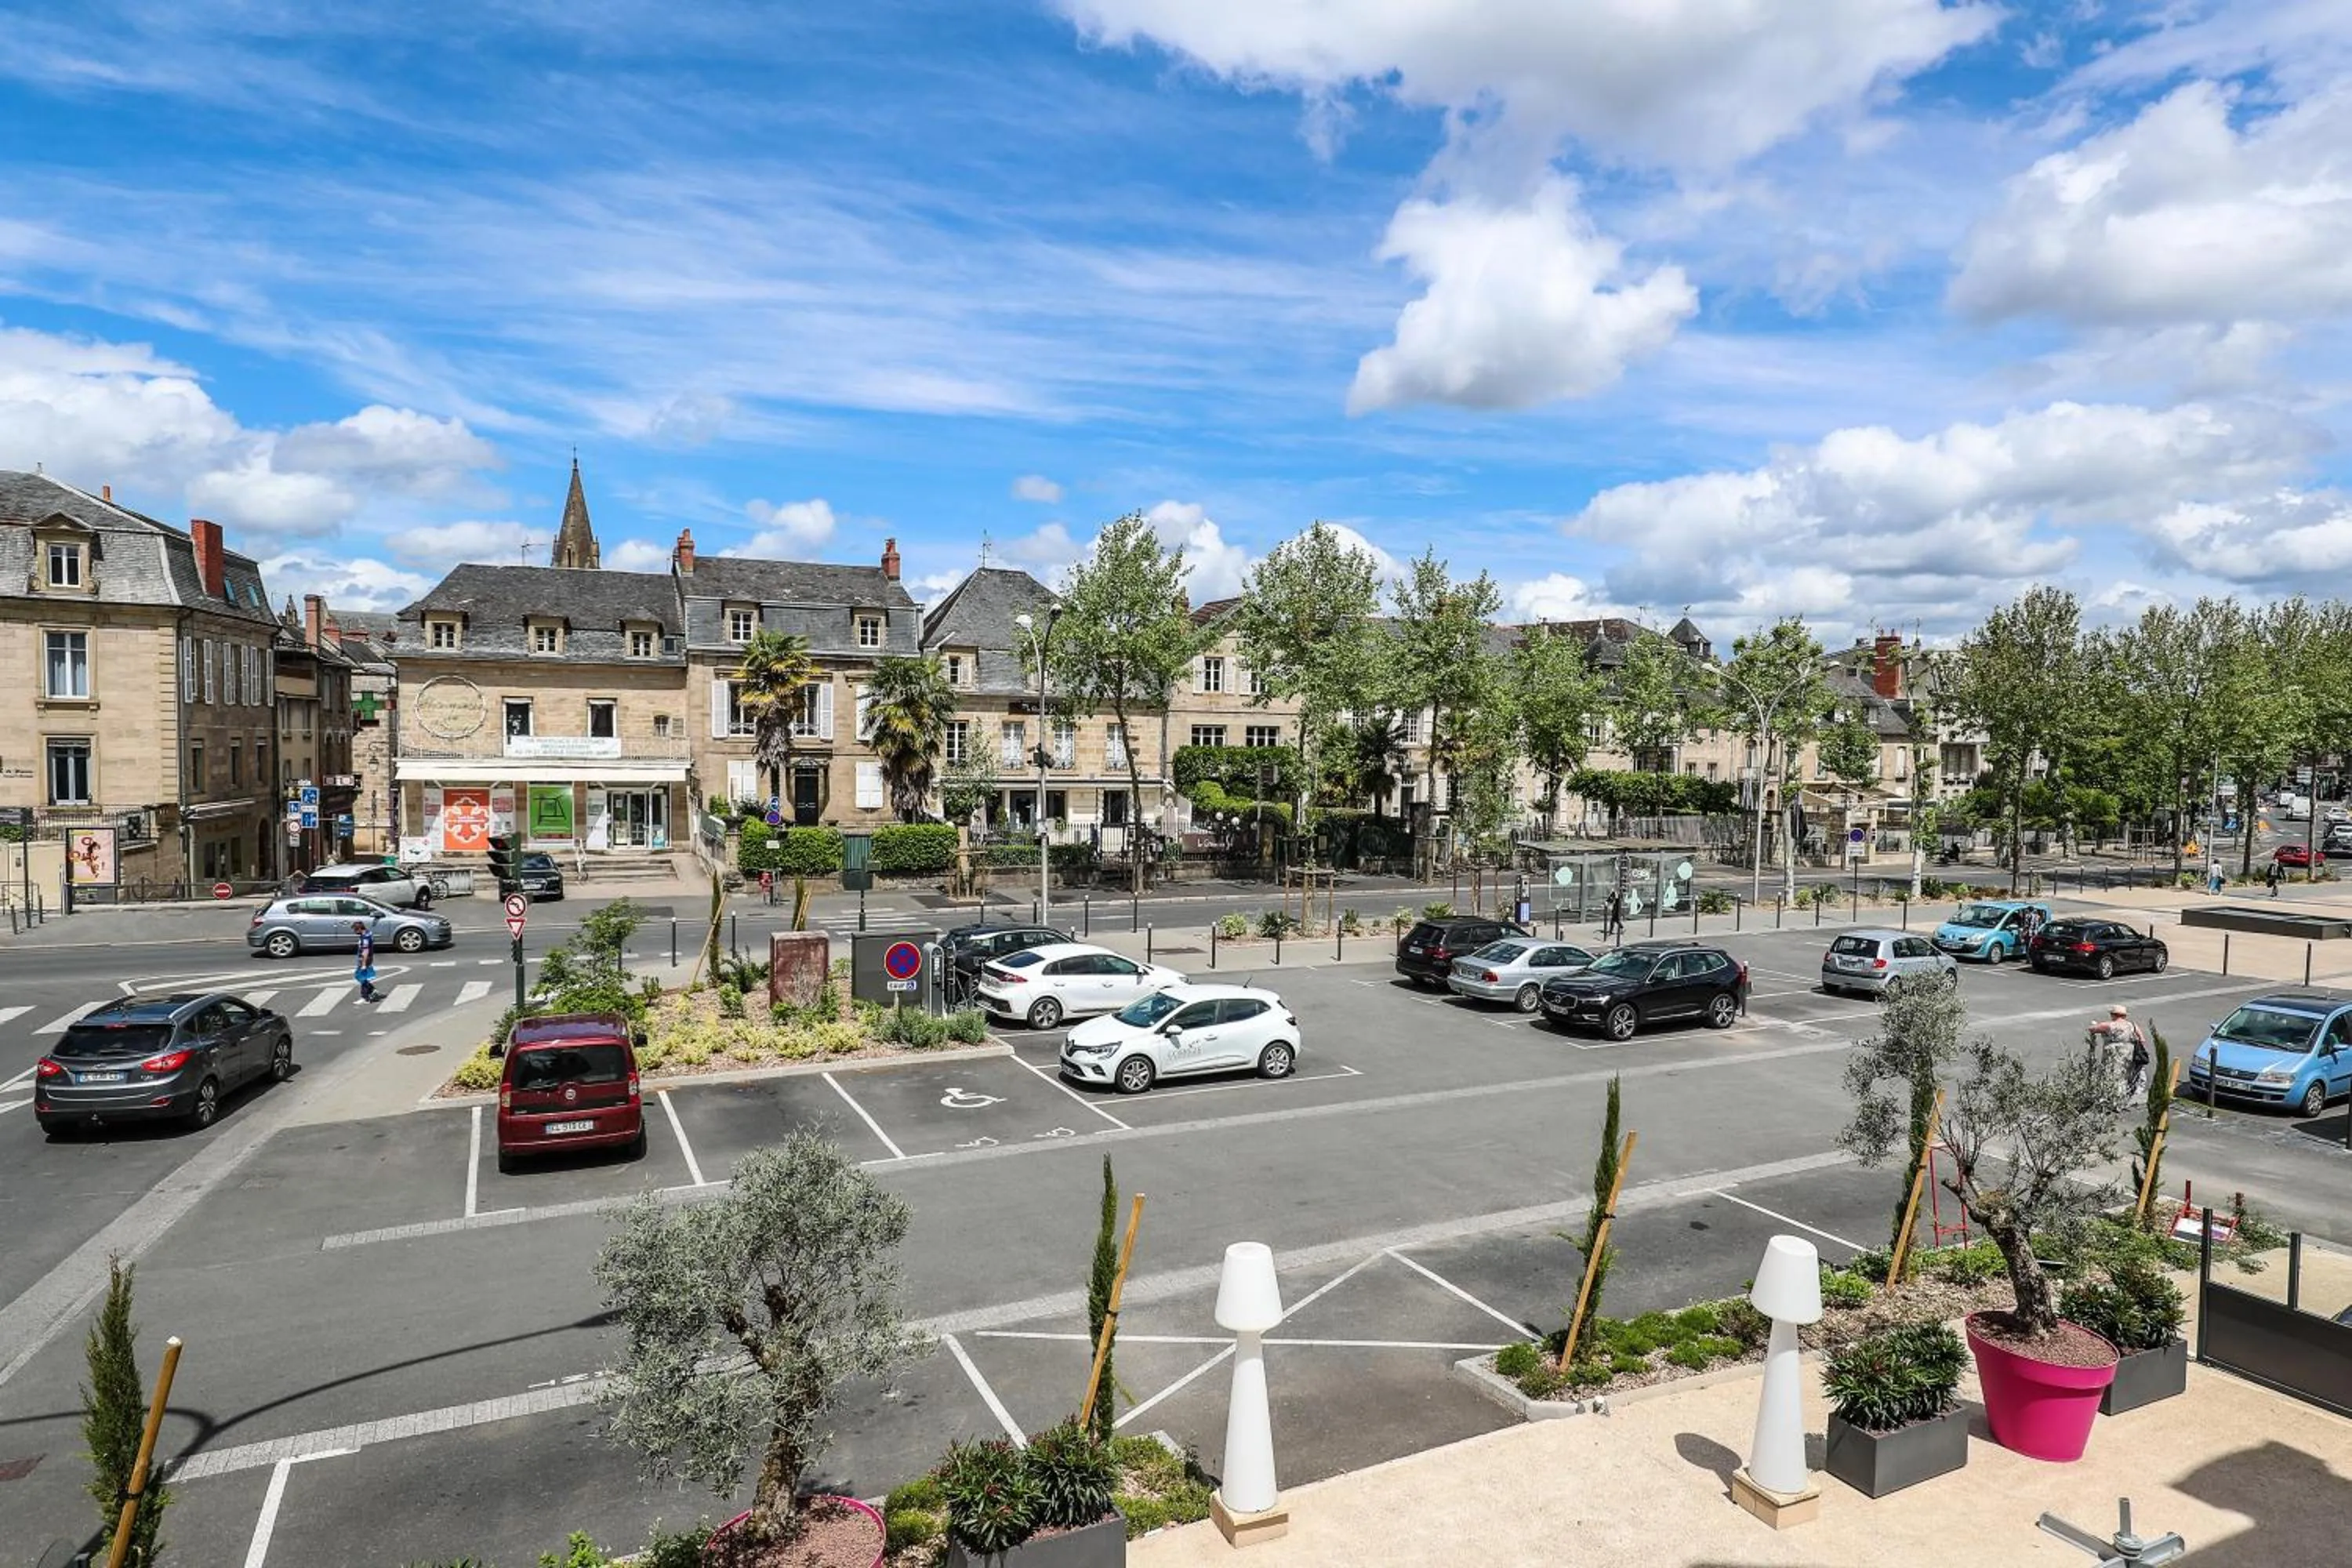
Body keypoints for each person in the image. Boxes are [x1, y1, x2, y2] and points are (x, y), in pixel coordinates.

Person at [2089, 1002, 2149, 1102]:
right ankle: (2124, 1095)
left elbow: (2092, 1029)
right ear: (2124, 1016)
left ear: (2113, 1015)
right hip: (2129, 1053)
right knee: (2125, 1074)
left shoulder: (2110, 1025)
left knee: (2113, 1074)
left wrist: (2095, 1025)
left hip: (2114, 1054)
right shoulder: (2132, 1025)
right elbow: (2142, 1039)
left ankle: (2114, 1098)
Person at [353, 920, 378, 1002]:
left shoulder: (365, 938)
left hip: (365, 959)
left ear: (360, 929)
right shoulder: (368, 933)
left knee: (362, 977)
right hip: (368, 958)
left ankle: (365, 997)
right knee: (360, 976)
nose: (355, 932)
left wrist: (363, 964)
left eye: (356, 930)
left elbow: (365, 951)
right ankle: (372, 990)